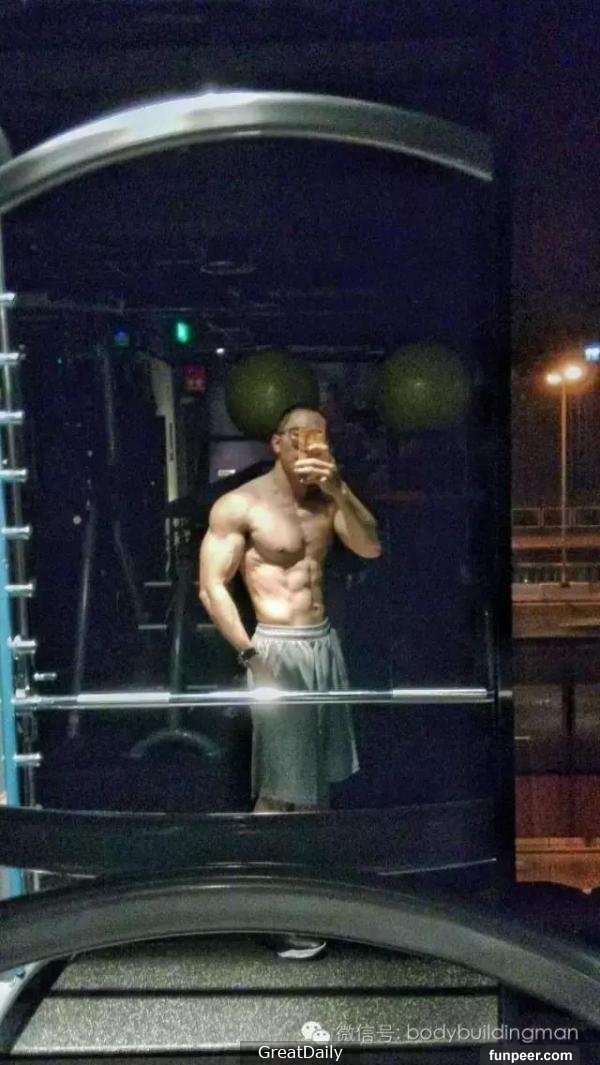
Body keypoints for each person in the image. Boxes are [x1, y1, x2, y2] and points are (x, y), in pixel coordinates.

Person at [199, 404, 382, 958]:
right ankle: (269, 910)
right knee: (280, 790)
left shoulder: (329, 498)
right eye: (298, 435)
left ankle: (308, 900)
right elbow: (212, 587)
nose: (309, 444)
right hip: (275, 647)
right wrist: (251, 655)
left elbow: (370, 546)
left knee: (319, 786)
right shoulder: (242, 504)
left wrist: (340, 488)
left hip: (323, 644)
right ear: (276, 443)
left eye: (319, 435)